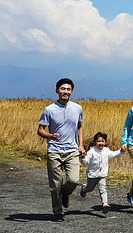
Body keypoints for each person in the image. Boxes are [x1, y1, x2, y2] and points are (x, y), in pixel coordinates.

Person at [37, 78, 86, 222]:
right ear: (57, 90)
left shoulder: (77, 108)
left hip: (71, 151)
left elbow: (80, 127)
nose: (65, 92)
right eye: (63, 89)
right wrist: (50, 136)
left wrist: (81, 145)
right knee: (55, 185)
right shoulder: (49, 110)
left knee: (73, 180)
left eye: (68, 89)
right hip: (54, 151)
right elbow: (40, 130)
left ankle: (65, 193)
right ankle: (57, 212)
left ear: (72, 91)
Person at [80, 132, 125, 213]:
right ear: (94, 142)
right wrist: (82, 157)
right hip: (92, 176)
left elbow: (113, 154)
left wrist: (120, 151)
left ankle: (105, 204)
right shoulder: (91, 152)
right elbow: (85, 162)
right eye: (98, 141)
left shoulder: (106, 150)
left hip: (102, 176)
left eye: (102, 141)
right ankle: (84, 189)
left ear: (105, 142)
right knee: (89, 189)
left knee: (103, 190)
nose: (100, 143)